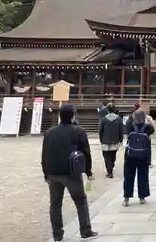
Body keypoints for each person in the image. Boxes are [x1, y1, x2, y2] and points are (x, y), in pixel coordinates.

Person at [41, 104, 98, 241]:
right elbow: (86, 153)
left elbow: (45, 154)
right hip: (71, 172)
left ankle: (57, 235)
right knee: (80, 201)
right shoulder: (78, 131)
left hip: (53, 173)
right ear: (73, 115)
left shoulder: (49, 132)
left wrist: (45, 172)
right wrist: (88, 171)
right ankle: (85, 230)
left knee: (55, 204)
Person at [123, 109, 154, 207]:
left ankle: (126, 198)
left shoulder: (129, 126)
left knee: (128, 177)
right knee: (143, 176)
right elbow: (152, 130)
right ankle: (142, 197)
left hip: (130, 154)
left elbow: (127, 125)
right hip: (143, 155)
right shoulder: (148, 127)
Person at [98, 103, 123, 178]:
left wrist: (101, 139)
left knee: (106, 156)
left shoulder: (104, 119)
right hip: (115, 140)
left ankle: (109, 172)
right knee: (113, 155)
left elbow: (100, 130)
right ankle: (111, 166)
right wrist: (120, 139)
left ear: (107, 110)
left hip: (105, 140)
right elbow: (121, 130)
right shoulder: (118, 118)